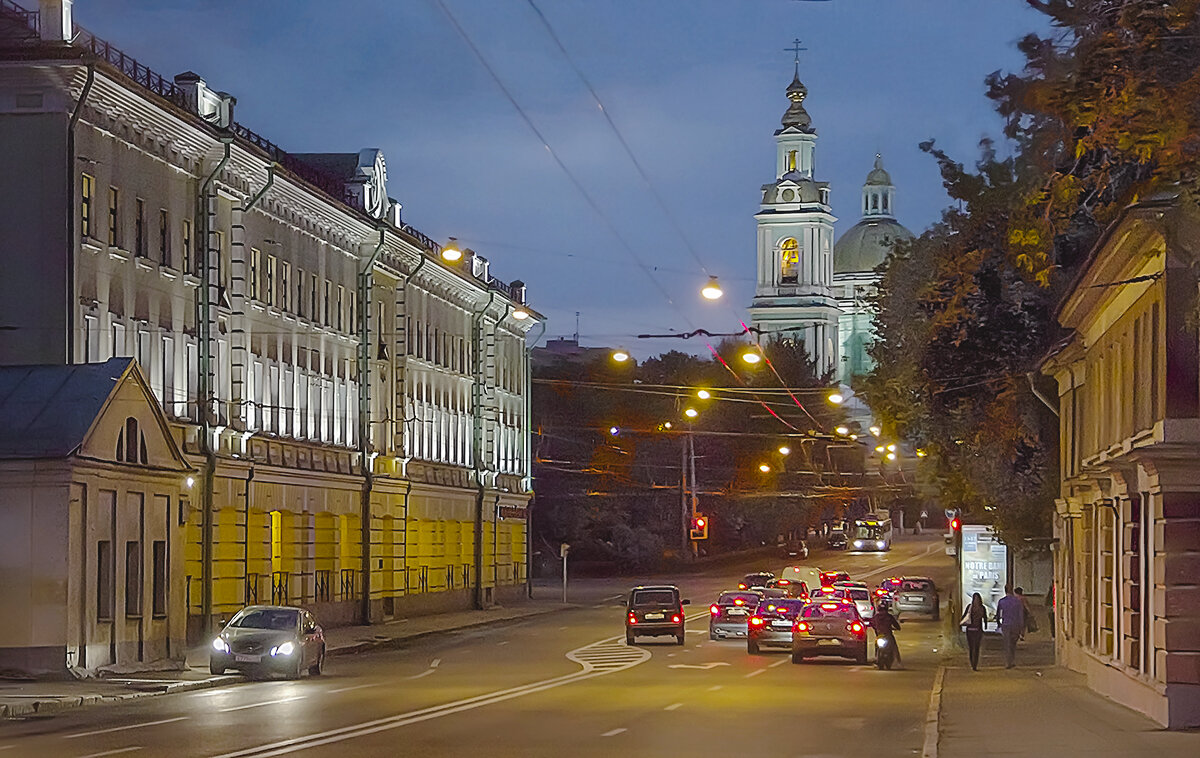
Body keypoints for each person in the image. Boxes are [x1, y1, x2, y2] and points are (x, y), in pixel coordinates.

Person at [995, 584, 1026, 669]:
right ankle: (1011, 660)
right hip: (1015, 625)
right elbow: (1020, 615)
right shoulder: (1017, 601)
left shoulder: (1002, 601)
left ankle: (1008, 662)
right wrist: (1021, 627)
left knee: (1007, 644)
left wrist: (999, 624)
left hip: (1006, 624)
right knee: (1013, 644)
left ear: (1004, 590)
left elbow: (998, 614)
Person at [959, 592, 988, 671]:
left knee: (971, 647)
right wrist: (985, 627)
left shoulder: (970, 607)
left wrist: (961, 624)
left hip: (970, 630)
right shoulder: (982, 608)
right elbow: (985, 618)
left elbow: (964, 616)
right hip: (978, 630)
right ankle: (975, 663)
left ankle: (972, 662)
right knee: (977, 648)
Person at [870, 599, 902, 667]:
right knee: (893, 647)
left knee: (879, 645)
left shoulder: (877, 617)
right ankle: (897, 660)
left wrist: (876, 629)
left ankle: (876, 657)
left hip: (882, 635)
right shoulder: (888, 616)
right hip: (885, 635)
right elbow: (897, 626)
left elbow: (871, 624)